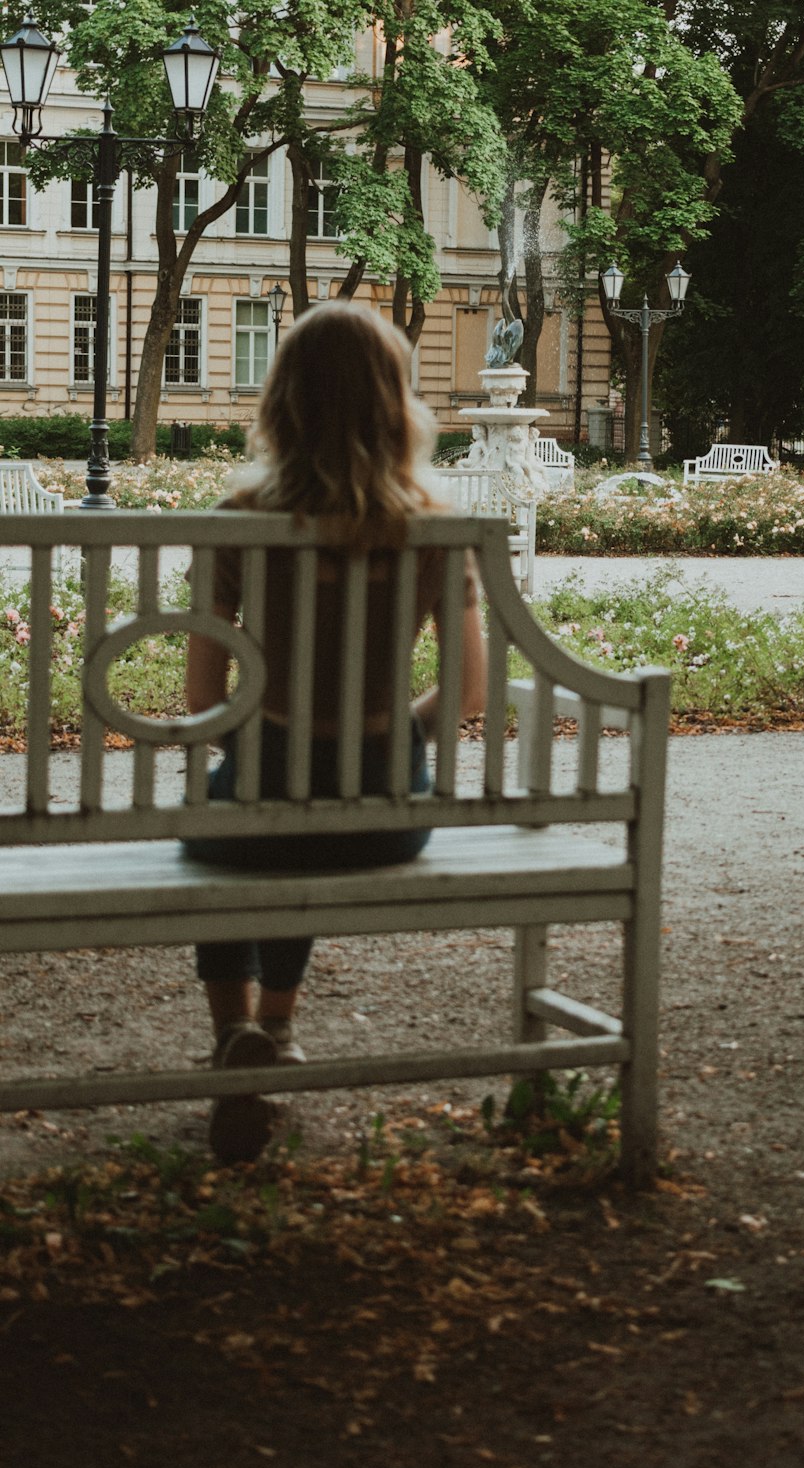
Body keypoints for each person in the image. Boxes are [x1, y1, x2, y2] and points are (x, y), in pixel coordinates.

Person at [184, 302, 486, 1159]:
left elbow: (206, 706)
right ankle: (275, 1031)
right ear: (396, 404)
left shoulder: (238, 518)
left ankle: (233, 1032)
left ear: (283, 401)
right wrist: (400, 736)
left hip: (261, 798)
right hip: (385, 813)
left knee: (242, 817)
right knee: (304, 820)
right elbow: (468, 692)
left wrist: (264, 738)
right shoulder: (435, 526)